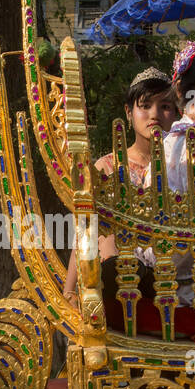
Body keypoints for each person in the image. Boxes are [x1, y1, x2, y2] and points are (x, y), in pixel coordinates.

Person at [63, 67, 176, 305]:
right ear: (129, 112)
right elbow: (86, 229)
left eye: (165, 106)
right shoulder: (107, 167)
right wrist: (70, 290)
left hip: (170, 275)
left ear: (176, 114)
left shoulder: (182, 166)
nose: (154, 114)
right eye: (145, 106)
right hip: (116, 275)